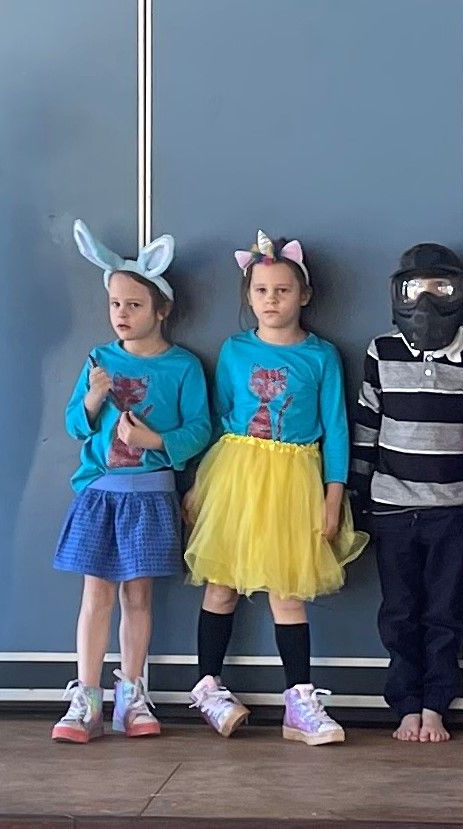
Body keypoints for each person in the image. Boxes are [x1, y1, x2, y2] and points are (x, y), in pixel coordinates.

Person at [184, 230, 368, 747]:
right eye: (262, 291)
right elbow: (219, 420)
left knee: (287, 592)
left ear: (303, 295)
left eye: (283, 290)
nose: (272, 300)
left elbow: (336, 429)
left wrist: (334, 496)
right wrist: (201, 486)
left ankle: (299, 702)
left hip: (294, 481)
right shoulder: (235, 350)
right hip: (236, 477)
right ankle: (208, 686)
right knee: (221, 583)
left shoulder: (322, 355)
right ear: (249, 296)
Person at [50, 220, 210, 743]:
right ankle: (85, 697)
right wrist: (94, 398)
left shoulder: (183, 366)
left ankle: (133, 696)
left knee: (138, 598)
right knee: (95, 595)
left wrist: (156, 442)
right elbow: (75, 423)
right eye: (115, 304)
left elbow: (201, 429)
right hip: (101, 495)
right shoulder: (98, 359)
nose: (122, 314)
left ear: (161, 309)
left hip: (150, 497)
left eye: (134, 305)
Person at [351, 243, 463, 743]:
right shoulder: (381, 352)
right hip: (391, 507)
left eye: (442, 289)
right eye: (416, 290)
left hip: (454, 510)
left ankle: (436, 703)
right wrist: (358, 493)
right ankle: (405, 703)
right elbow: (367, 426)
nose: (427, 304)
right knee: (399, 610)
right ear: (398, 296)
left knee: (443, 613)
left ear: (460, 296)